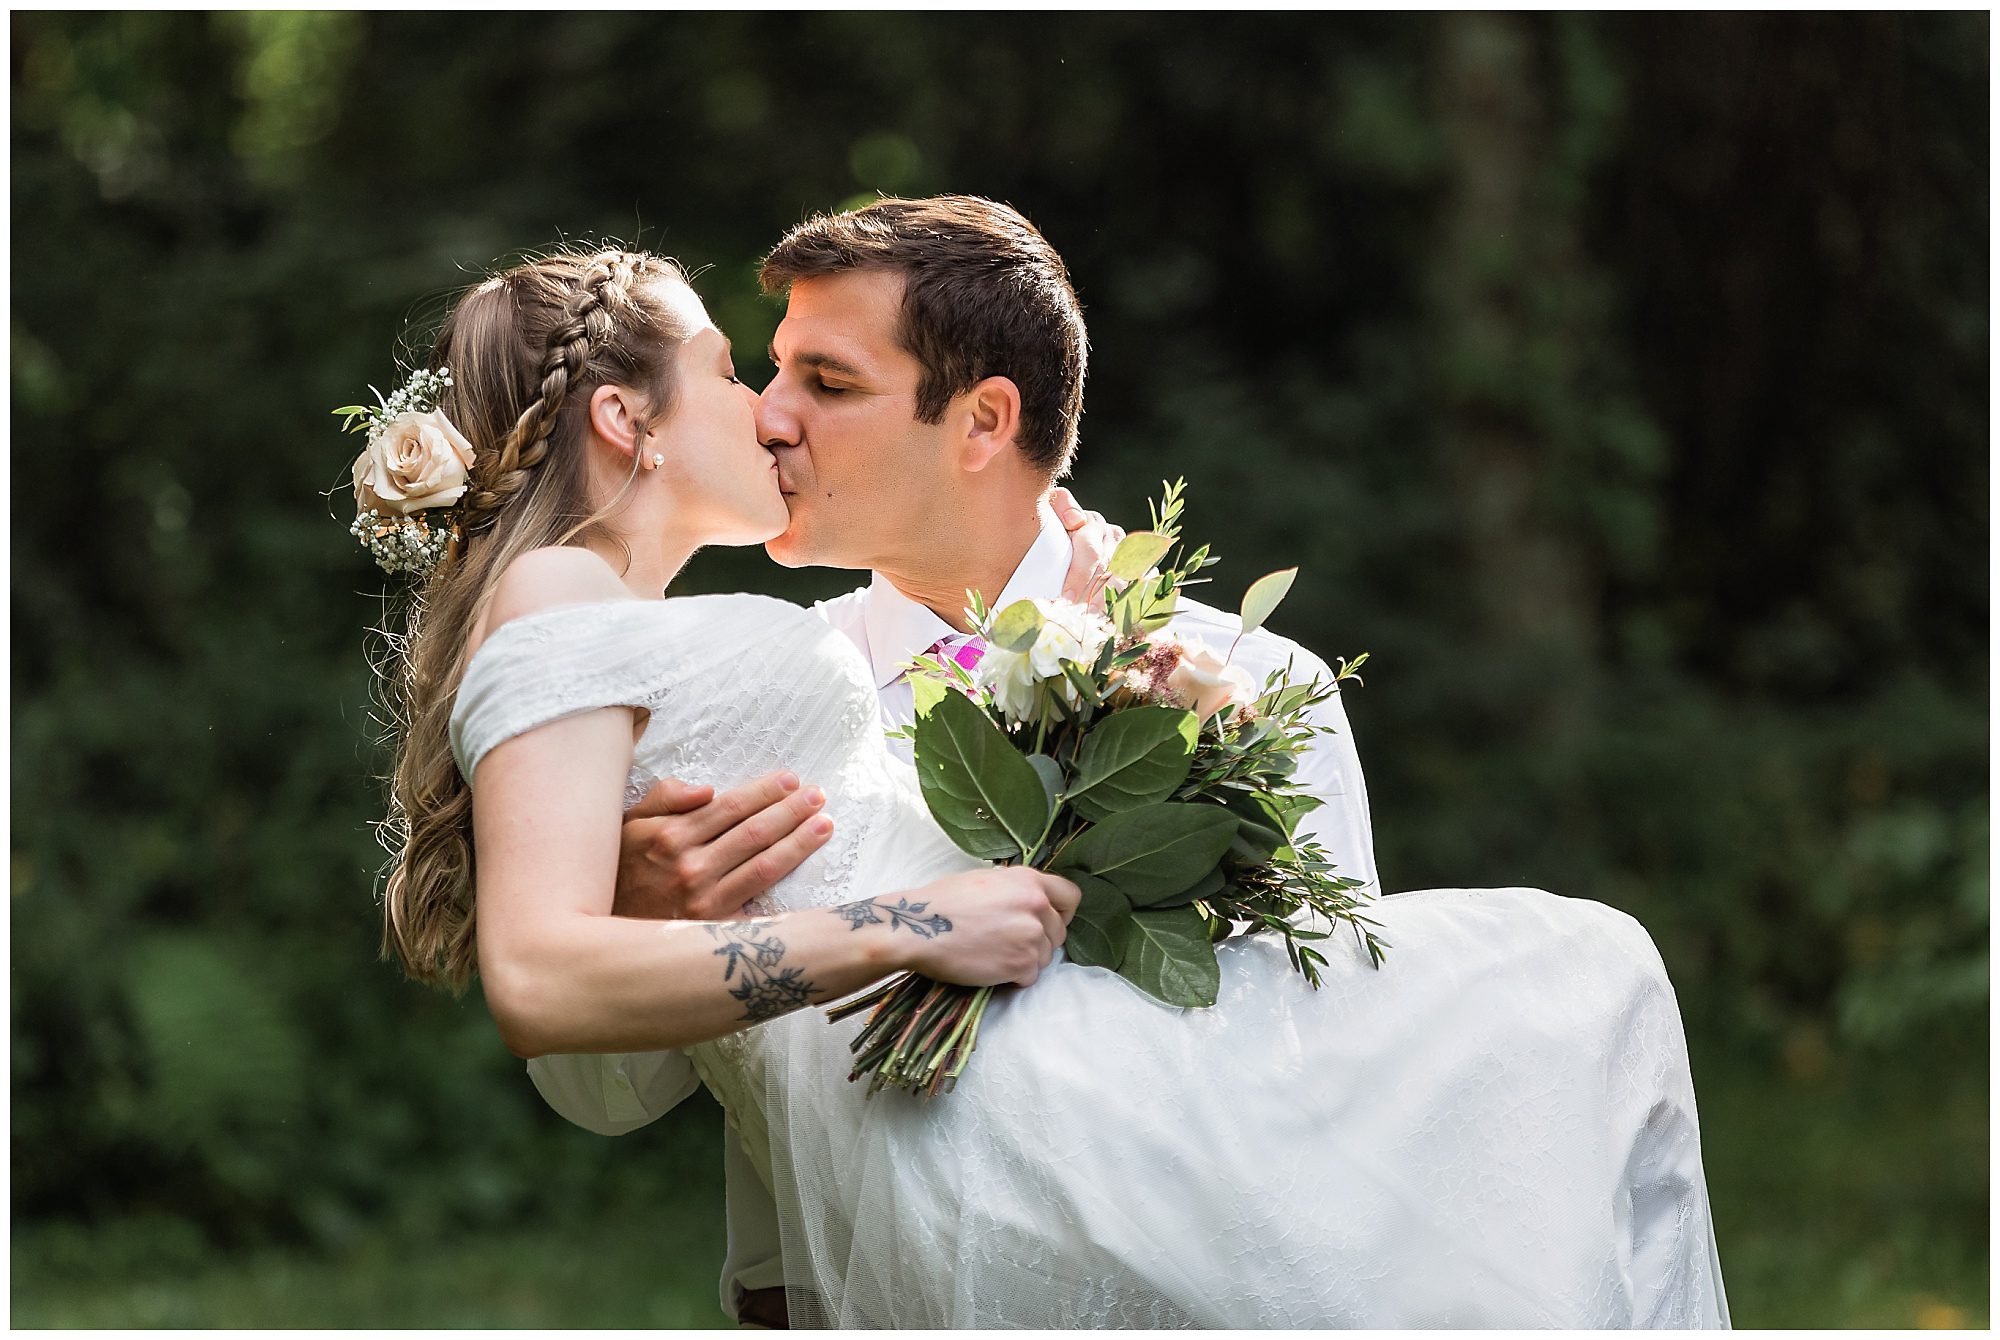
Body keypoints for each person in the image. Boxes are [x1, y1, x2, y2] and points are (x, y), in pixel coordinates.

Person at [364, 202, 1728, 1328]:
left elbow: (1330, 1068)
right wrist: (648, 911)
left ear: (981, 421)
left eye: (827, 384)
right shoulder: (760, 683)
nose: (773, 418)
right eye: (763, 373)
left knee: (1580, 994)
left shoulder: (1248, 683)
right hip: (847, 1296)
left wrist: (1133, 736)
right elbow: (605, 1090)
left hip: (1190, 1293)